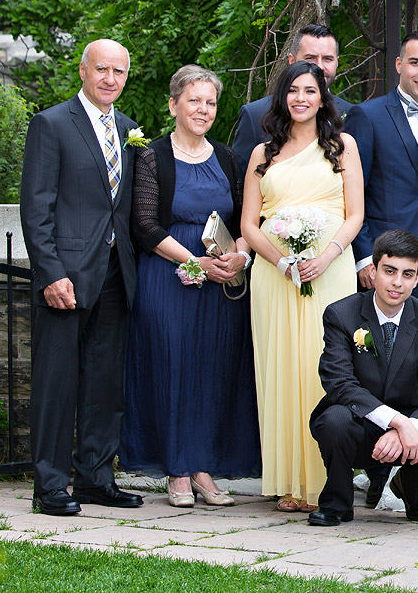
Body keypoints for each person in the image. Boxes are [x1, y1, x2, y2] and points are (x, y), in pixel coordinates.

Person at [123, 65, 260, 507]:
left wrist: (238, 254)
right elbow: (143, 224)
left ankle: (204, 468)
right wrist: (195, 262)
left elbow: (244, 218)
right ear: (174, 105)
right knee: (171, 366)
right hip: (168, 276)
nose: (203, 110)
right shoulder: (152, 156)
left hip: (221, 284)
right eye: (194, 100)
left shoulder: (225, 158)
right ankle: (177, 471)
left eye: (211, 102)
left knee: (213, 371)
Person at [20, 39, 144, 515]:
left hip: (116, 276)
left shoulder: (130, 131)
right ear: (83, 70)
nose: (110, 79)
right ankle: (50, 485)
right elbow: (36, 208)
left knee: (104, 384)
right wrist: (50, 273)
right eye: (102, 70)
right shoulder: (51, 124)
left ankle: (95, 478)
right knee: (56, 383)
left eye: (118, 72)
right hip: (66, 277)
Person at [242, 61, 364, 512]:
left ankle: (324, 481)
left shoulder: (342, 145)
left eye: (309, 91)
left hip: (329, 269)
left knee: (323, 366)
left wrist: (325, 256)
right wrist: (280, 261)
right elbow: (249, 224)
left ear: (322, 96)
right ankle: (287, 482)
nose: (300, 98)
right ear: (282, 97)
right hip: (275, 278)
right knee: (278, 369)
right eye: (292, 91)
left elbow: (356, 214)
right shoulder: (262, 153)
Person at [307, 230, 418, 527]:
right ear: (373, 271)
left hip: (409, 421)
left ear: (417, 279)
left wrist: (409, 427)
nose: (397, 282)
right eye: (389, 271)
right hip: (356, 421)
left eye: (407, 274)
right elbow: (339, 383)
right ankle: (337, 504)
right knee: (333, 420)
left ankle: (413, 493)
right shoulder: (341, 314)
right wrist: (396, 423)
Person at [345, 31, 418, 306]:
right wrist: (364, 257)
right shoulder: (367, 116)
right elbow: (349, 192)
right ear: (398, 65)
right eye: (415, 62)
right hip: (382, 263)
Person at [231, 24, 354, 175]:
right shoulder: (255, 115)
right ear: (291, 60)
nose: (320, 66)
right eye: (310, 58)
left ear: (337, 62)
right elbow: (239, 183)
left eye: (328, 59)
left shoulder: (352, 114)